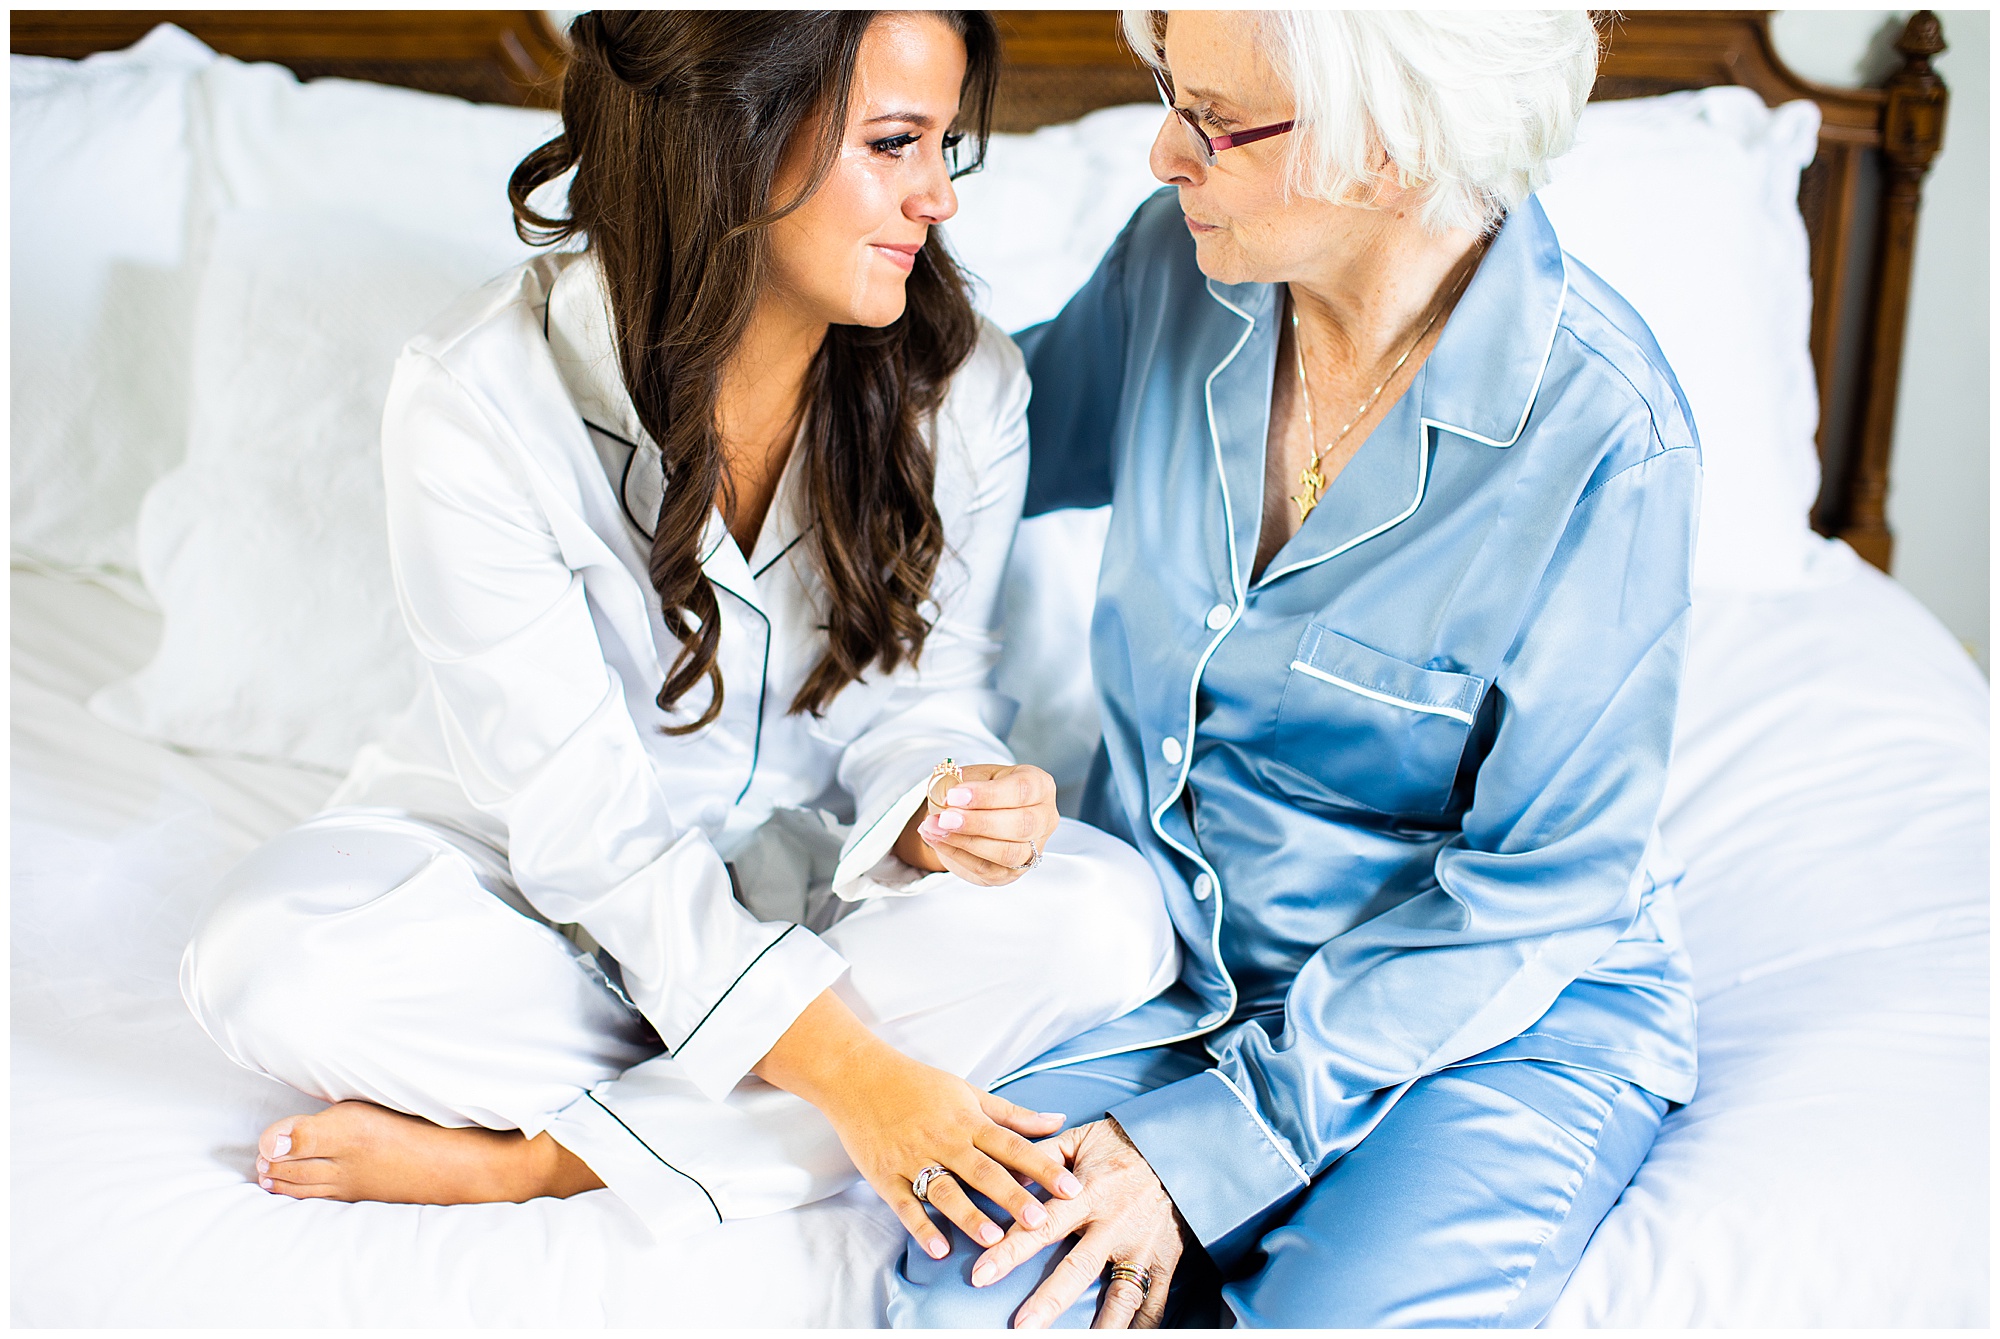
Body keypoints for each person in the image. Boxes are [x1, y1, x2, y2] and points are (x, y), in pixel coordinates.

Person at [178, 9, 1179, 1256]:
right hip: (545, 904)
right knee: (266, 963)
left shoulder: (964, 385)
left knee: (1111, 919)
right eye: (892, 143)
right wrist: (862, 1076)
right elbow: (585, 833)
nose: (937, 197)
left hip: (823, 896)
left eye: (943, 147)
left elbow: (927, 698)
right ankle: (769, 1082)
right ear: (728, 138)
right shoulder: (478, 398)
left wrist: (942, 807)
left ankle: (550, 1160)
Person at [891, 9, 1700, 1329]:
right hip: (1180, 971)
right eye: (1172, 93)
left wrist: (1197, 1149)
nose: (1163, 152)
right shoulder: (1177, 268)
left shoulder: (1607, 435)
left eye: (1212, 121)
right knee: (953, 1288)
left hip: (1484, 1020)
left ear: (1387, 141)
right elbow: (971, 453)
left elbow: (1536, 893)